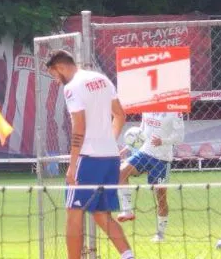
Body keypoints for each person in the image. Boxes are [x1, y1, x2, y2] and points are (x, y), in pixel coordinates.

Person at [45, 50, 133, 259]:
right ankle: (128, 256)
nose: (56, 80)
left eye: (54, 75)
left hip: (88, 159)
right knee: (101, 214)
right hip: (110, 158)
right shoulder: (102, 79)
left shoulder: (72, 87)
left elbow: (79, 128)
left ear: (60, 67)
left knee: (74, 213)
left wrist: (72, 166)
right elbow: (120, 115)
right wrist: (108, 140)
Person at [117, 112, 185, 242]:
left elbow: (179, 137)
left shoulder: (175, 111)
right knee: (121, 172)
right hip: (144, 153)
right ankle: (127, 210)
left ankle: (160, 234)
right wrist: (128, 147)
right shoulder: (147, 108)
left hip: (162, 159)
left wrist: (163, 141)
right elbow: (142, 131)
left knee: (161, 198)